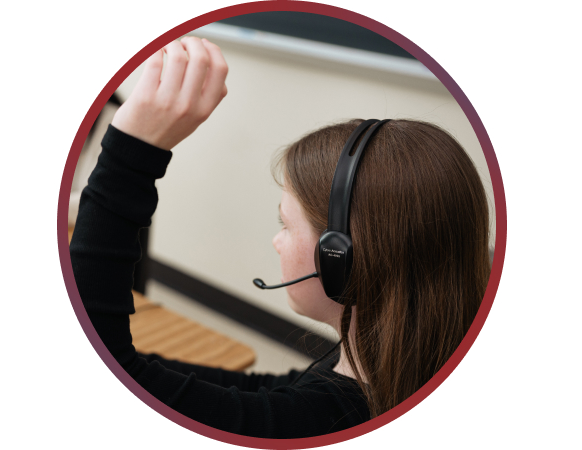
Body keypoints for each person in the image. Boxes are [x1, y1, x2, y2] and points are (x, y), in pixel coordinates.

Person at [70, 37, 491, 438]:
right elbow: (256, 392)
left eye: (284, 224)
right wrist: (135, 363)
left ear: (338, 258)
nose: (277, 241)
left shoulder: (316, 422)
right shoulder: (392, 375)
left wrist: (132, 148)